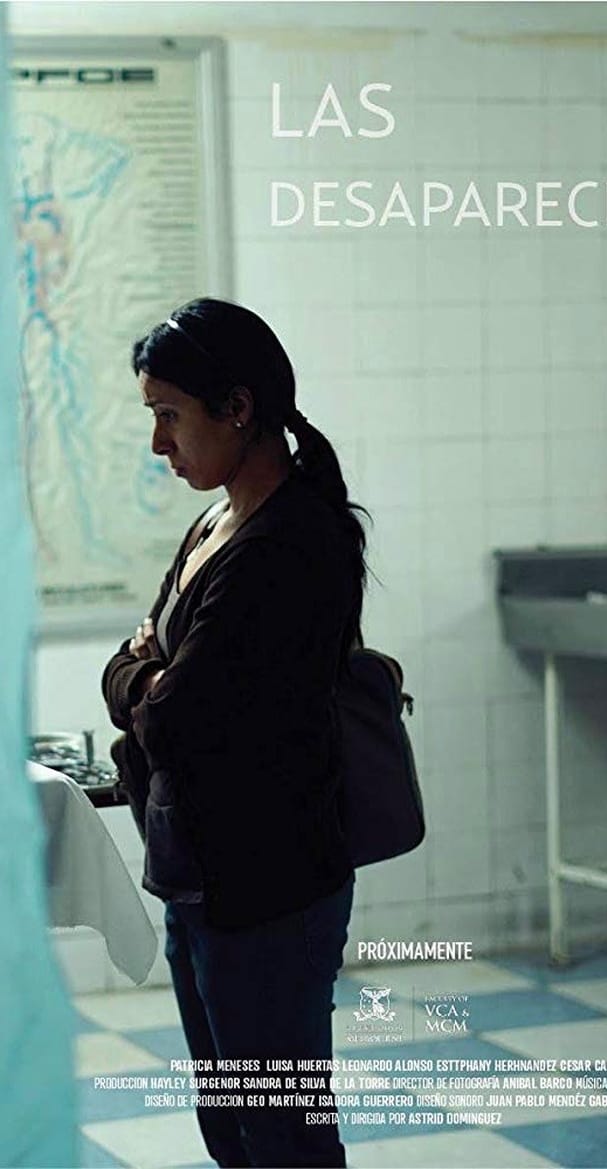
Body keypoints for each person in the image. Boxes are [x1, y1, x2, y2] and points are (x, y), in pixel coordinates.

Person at [102, 298, 368, 1168]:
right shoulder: (216, 524)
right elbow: (133, 673)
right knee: (232, 1131)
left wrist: (146, 675)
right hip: (201, 876)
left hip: (271, 886)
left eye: (169, 415)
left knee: (283, 1136)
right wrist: (145, 674)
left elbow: (174, 716)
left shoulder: (291, 542)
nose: (159, 443)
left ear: (239, 408)